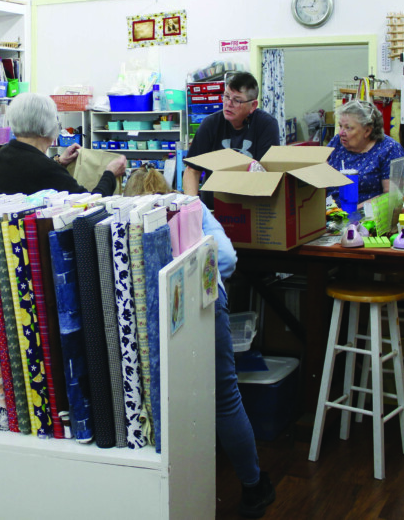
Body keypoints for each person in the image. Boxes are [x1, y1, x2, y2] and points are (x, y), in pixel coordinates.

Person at [123, 165, 276, 518]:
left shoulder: (126, 217)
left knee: (158, 399)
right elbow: (226, 258)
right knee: (224, 396)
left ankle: (162, 494)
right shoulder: (190, 206)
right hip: (202, 306)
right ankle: (252, 488)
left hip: (147, 314)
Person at [0, 92, 126, 195]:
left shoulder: (2, 154)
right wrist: (110, 174)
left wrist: (59, 162)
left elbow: (29, 175)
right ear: (47, 126)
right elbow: (90, 205)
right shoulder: (45, 169)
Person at [183, 72, 281, 208]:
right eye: (226, 96)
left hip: (251, 207)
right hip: (215, 207)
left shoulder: (266, 125)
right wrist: (192, 208)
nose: (228, 104)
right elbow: (192, 171)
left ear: (253, 106)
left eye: (237, 100)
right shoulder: (210, 124)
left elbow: (267, 173)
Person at [326, 99, 404, 205]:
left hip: (368, 217)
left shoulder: (391, 149)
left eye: (348, 128)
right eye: (340, 126)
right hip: (330, 212)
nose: (341, 133)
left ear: (367, 131)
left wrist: (355, 211)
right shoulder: (337, 142)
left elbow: (395, 196)